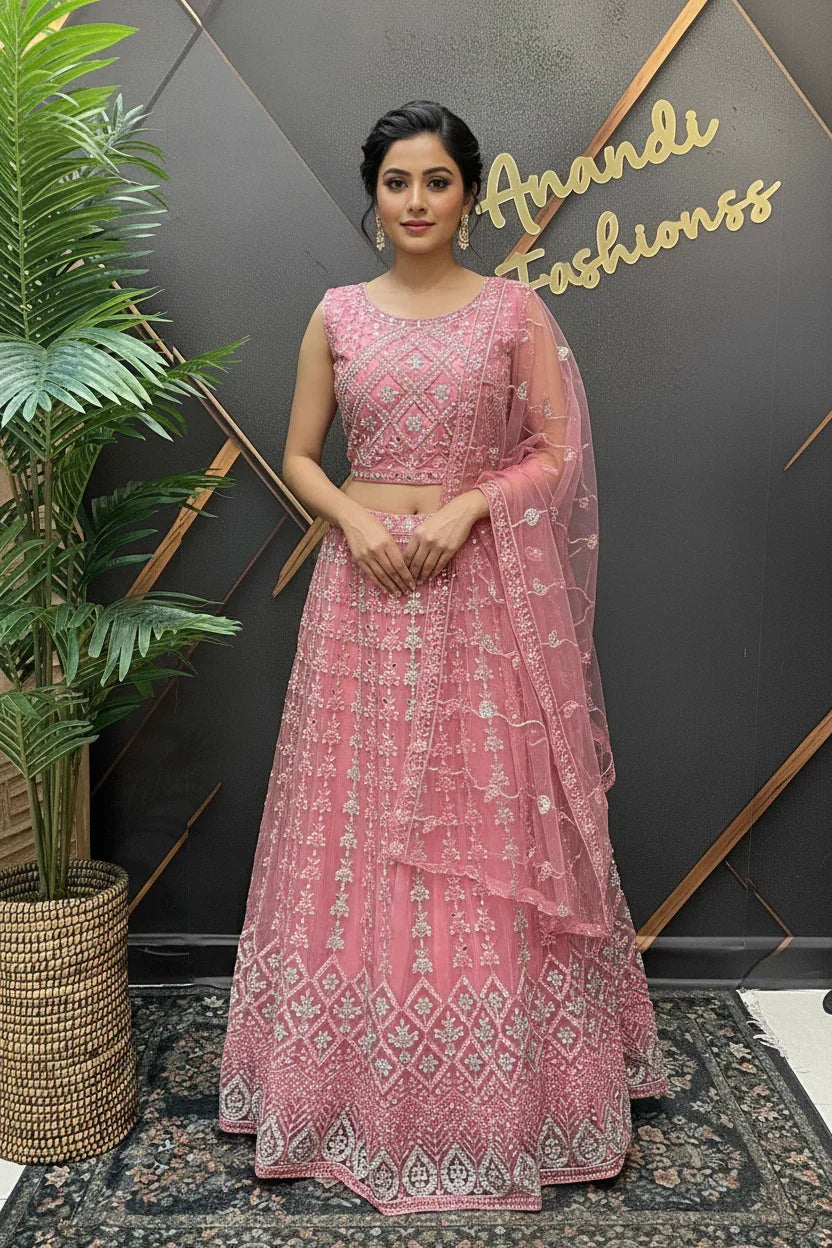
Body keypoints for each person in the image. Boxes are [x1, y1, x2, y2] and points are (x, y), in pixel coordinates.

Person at [218, 99, 669, 1215]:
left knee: (485, 828)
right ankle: (343, 1091)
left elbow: (557, 457)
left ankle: (509, 1099)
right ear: (372, 198)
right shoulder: (335, 314)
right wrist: (354, 524)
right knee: (359, 824)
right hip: (363, 600)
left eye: (437, 182)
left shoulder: (514, 311)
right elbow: (299, 456)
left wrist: (471, 509)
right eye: (395, 183)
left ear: (470, 194)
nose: (416, 202)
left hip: (478, 603)